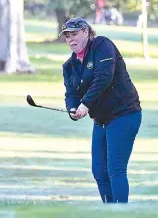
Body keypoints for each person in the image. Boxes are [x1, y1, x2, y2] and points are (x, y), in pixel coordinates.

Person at [59, 18, 142, 203]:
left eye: (75, 34)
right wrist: (73, 109)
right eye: (67, 36)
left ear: (86, 32)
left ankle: (121, 213)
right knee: (99, 171)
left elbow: (104, 76)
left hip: (124, 113)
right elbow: (71, 94)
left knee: (115, 169)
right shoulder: (69, 66)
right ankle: (110, 211)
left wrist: (85, 104)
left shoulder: (102, 45)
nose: (71, 39)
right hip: (102, 120)